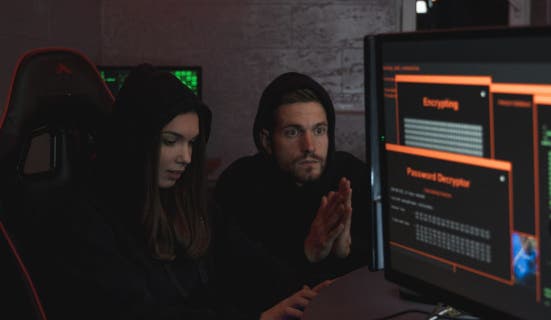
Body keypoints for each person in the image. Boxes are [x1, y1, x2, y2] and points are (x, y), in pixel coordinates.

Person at [32, 64, 323, 320]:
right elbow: (135, 314)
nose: (185, 156)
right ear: (137, 141)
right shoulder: (84, 219)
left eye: (192, 143)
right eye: (171, 141)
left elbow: (248, 260)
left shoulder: (186, 201)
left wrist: (307, 292)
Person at [214, 72, 372, 315]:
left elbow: (389, 273)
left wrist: (346, 253)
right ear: (267, 141)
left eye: (319, 130)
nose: (309, 146)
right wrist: (307, 252)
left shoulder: (352, 177)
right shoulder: (239, 185)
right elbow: (235, 283)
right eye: (293, 132)